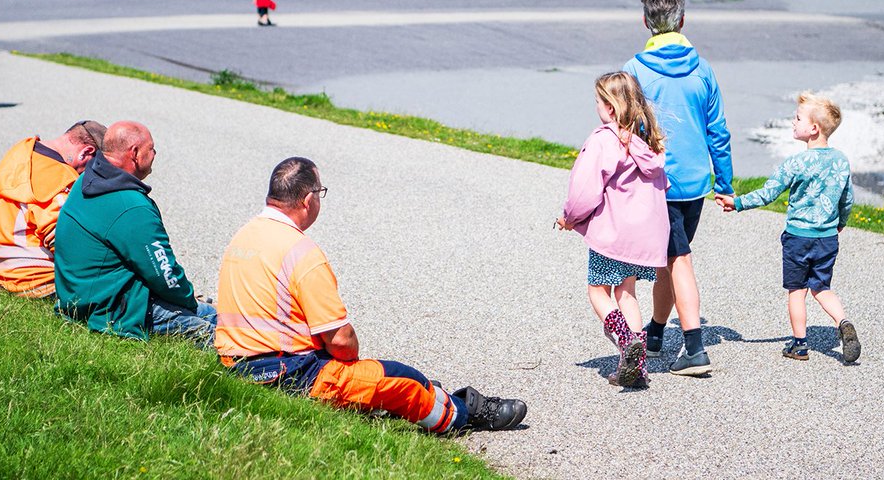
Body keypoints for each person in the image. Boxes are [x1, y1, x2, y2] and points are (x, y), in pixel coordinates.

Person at [215, 157, 527, 433]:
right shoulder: (301, 253)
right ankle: (461, 415)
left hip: (236, 364)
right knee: (405, 380)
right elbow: (341, 342)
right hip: (289, 373)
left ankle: (424, 399)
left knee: (382, 379)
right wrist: (350, 364)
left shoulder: (243, 236)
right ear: (308, 200)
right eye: (320, 193)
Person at [623, 0, 732, 376]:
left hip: (658, 183)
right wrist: (725, 182)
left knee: (678, 258)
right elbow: (717, 130)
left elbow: (625, 131)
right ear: (682, 20)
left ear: (645, 21)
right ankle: (655, 333)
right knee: (670, 258)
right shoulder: (703, 69)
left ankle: (694, 347)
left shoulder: (634, 71)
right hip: (696, 184)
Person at [714, 93, 861, 364]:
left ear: (813, 128)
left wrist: (737, 203)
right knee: (821, 288)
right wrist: (841, 222)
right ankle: (843, 322)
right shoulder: (841, 161)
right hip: (827, 237)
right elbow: (847, 199)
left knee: (797, 291)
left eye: (798, 118)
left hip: (798, 237)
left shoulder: (795, 163)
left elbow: (768, 193)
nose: (793, 123)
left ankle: (799, 344)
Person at [54, 121, 216, 345]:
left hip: (78, 296)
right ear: (135, 153)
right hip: (113, 310)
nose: (155, 154)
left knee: (215, 314)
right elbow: (165, 275)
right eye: (152, 148)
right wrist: (188, 302)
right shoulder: (131, 207)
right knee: (218, 334)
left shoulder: (89, 178)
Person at [557, 72, 669, 389]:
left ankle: (625, 341)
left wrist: (569, 218)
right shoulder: (649, 143)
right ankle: (637, 366)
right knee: (627, 293)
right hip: (642, 237)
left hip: (612, 235)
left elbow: (584, 192)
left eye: (597, 101)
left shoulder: (605, 141)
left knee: (598, 292)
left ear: (610, 106)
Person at [0, 120, 107, 299]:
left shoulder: (23, 149)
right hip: (36, 280)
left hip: (1, 267)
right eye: (92, 167)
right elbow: (65, 243)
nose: (86, 174)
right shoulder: (57, 178)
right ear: (86, 152)